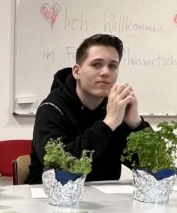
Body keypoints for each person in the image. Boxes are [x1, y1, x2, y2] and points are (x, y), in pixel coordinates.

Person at [26, 33, 149, 184]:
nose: (105, 72)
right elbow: (58, 165)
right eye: (96, 64)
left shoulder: (115, 109)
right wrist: (108, 124)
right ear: (76, 71)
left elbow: (153, 166)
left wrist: (136, 124)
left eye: (112, 66)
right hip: (48, 195)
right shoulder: (51, 109)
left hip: (103, 197)